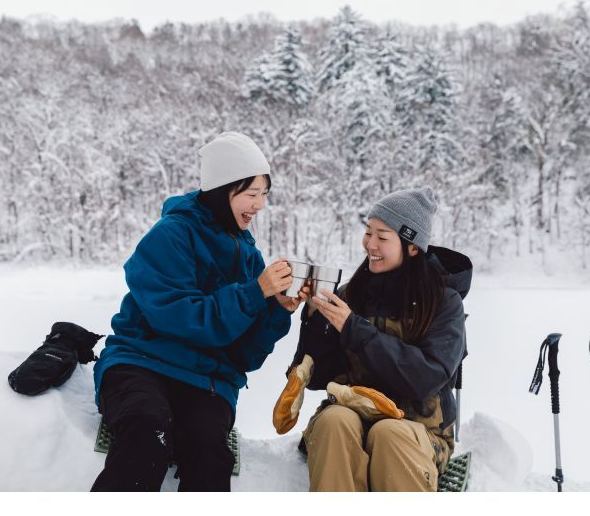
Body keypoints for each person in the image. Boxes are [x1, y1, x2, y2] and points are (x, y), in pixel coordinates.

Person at [91, 131, 308, 492]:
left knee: (209, 452)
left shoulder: (250, 257)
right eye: (251, 193)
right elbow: (181, 318)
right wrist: (254, 292)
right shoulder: (171, 235)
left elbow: (244, 356)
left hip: (207, 381)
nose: (259, 205)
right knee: (147, 430)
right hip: (141, 363)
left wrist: (275, 310)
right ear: (222, 191)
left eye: (264, 194)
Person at [273, 186, 472, 492]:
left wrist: (355, 330)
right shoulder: (351, 294)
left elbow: (426, 378)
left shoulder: (444, 302)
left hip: (419, 431)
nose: (370, 244)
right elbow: (318, 379)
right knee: (334, 421)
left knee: (389, 433)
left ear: (412, 247)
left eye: (383, 236)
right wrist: (315, 318)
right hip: (350, 419)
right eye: (368, 232)